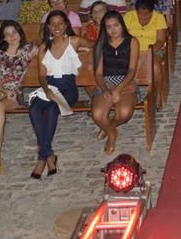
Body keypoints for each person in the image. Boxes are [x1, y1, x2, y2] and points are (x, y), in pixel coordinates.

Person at [28, 10, 87, 179]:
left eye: (60, 23)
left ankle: (42, 158)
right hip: (50, 87)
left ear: (66, 24)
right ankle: (49, 154)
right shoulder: (44, 47)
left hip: (68, 88)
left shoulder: (74, 41)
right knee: (34, 109)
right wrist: (46, 90)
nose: (57, 27)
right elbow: (41, 75)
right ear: (48, 27)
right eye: (53, 24)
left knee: (53, 109)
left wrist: (87, 51)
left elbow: (97, 44)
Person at [0, 20, 37, 174]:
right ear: (3, 37)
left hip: (15, 93)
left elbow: (49, 47)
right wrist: (4, 92)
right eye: (7, 34)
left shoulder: (28, 49)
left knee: (0, 107)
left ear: (20, 33)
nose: (12, 36)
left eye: (14, 32)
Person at [90, 11, 140, 155]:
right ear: (104, 29)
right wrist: (105, 89)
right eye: (109, 27)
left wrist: (118, 89)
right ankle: (112, 134)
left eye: (116, 25)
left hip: (125, 82)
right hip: (106, 82)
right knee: (98, 114)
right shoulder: (101, 44)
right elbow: (98, 73)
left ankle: (109, 125)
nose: (113, 30)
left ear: (122, 25)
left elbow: (131, 70)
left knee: (124, 113)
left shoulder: (132, 42)